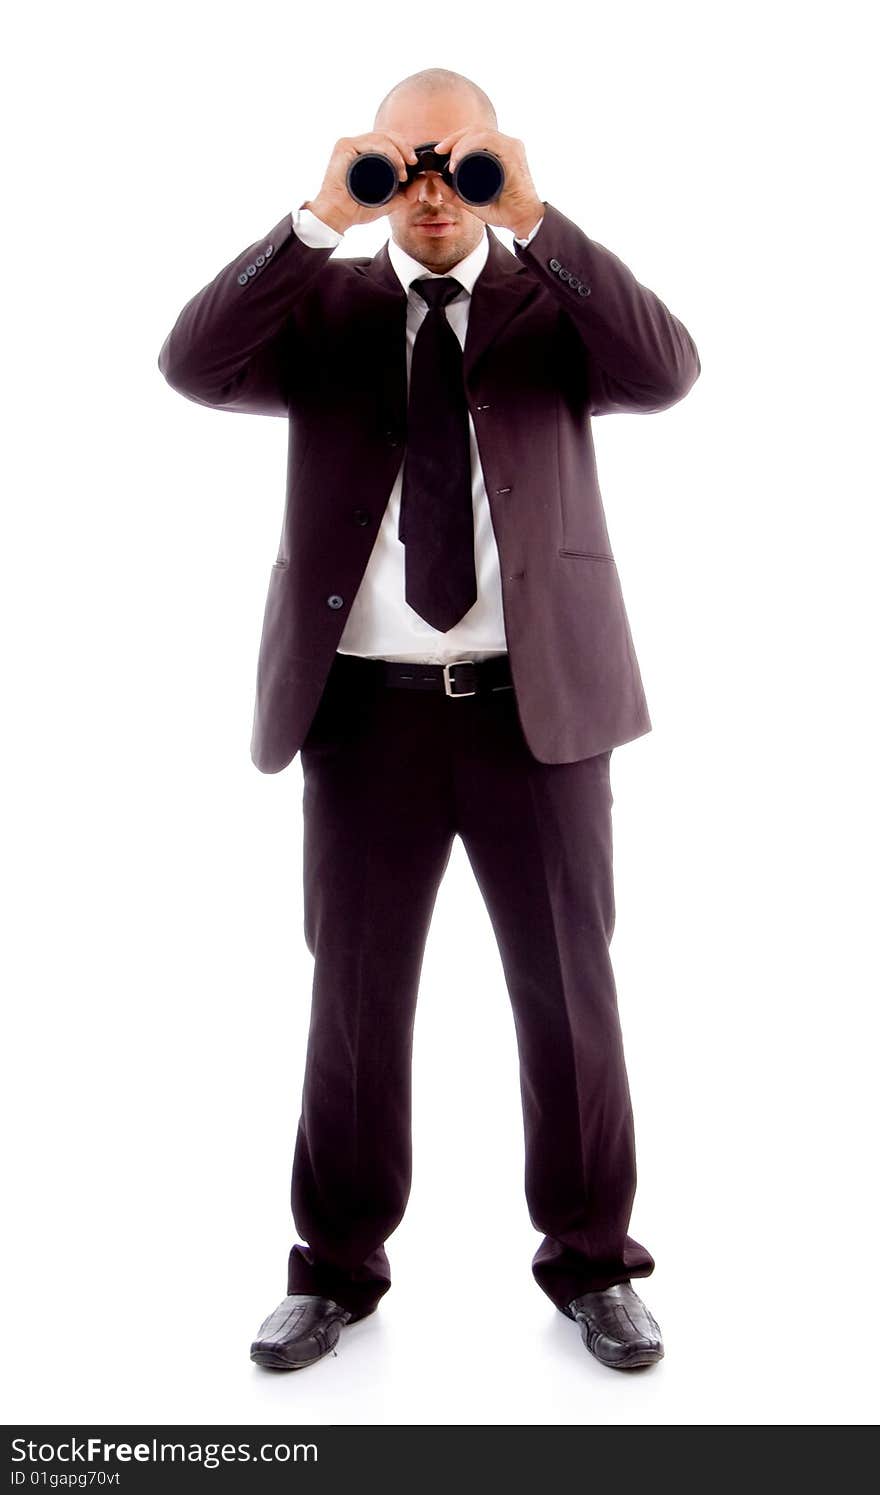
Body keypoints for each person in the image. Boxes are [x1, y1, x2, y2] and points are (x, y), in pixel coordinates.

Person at [157, 66, 700, 1374]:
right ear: (366, 174)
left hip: (539, 710)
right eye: (399, 166)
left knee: (570, 998)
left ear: (495, 168)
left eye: (455, 164)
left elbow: (669, 369)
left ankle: (592, 1266)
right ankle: (335, 1272)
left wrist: (538, 217)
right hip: (365, 718)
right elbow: (190, 364)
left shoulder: (548, 307)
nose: (428, 191)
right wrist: (308, 220)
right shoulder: (325, 311)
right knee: (354, 998)